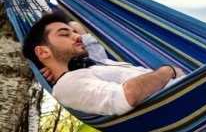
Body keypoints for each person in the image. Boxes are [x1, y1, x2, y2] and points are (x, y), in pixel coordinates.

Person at [22, 10, 185, 116]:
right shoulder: (67, 84)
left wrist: (58, 25)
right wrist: (168, 71)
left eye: (74, 34)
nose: (78, 36)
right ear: (43, 52)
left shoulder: (94, 62)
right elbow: (126, 96)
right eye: (65, 34)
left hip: (192, 87)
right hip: (186, 99)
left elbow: (76, 27)